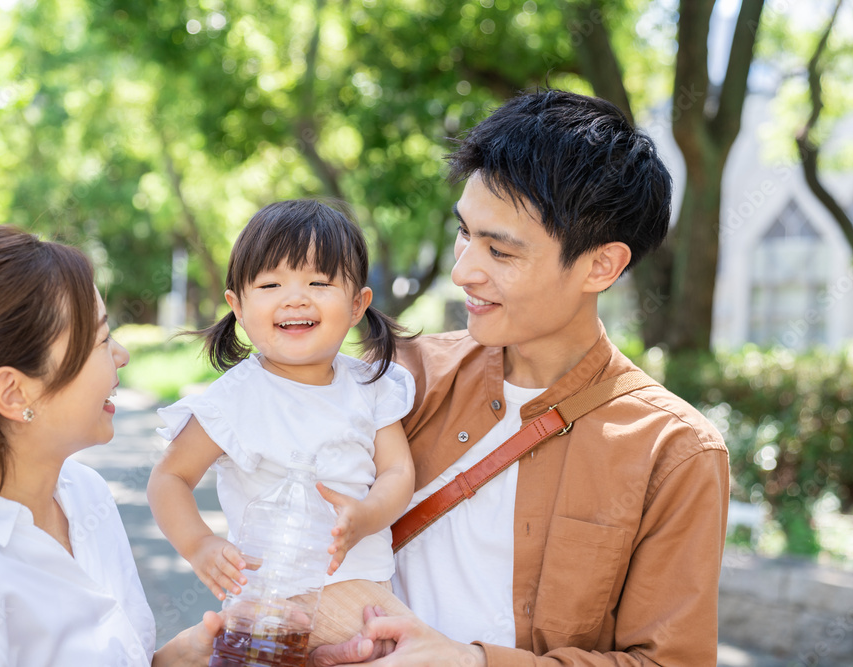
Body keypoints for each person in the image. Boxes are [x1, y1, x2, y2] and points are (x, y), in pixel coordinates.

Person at [311, 89, 730, 666]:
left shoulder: (674, 451)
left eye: (500, 252)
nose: (463, 271)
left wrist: (474, 662)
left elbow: (669, 662)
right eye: (464, 233)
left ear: (601, 265)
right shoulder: (401, 378)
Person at [0, 225, 221, 666]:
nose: (122, 354)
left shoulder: (83, 492)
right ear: (15, 394)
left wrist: (172, 661)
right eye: (100, 339)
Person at [147, 199, 416, 647]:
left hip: (368, 593)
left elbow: (397, 471)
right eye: (271, 283)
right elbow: (169, 477)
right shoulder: (235, 399)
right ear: (237, 305)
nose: (296, 297)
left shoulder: (371, 385)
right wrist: (200, 546)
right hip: (272, 607)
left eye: (318, 281)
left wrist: (366, 515)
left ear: (357, 304)